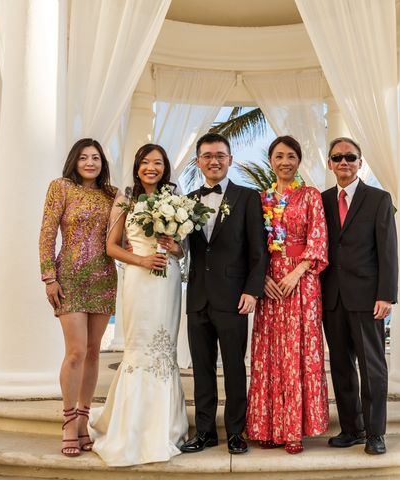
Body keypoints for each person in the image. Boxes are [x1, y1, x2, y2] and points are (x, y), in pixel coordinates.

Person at [88, 144, 188, 466]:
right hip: (138, 279)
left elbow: (182, 252)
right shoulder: (125, 198)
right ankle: (129, 424)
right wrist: (142, 259)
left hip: (168, 279)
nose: (151, 168)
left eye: (158, 163)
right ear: (137, 165)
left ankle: (166, 425)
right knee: (139, 345)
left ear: (165, 168)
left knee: (164, 348)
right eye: (146, 162)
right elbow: (111, 247)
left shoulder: (176, 198)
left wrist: (174, 248)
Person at [180, 133, 267, 455]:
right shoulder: (186, 201)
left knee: (233, 368)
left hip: (233, 297)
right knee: (201, 370)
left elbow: (259, 251)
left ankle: (235, 432)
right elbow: (183, 249)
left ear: (230, 160)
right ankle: (204, 432)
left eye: (220, 155)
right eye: (207, 156)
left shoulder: (248, 198)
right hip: (197, 298)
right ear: (198, 161)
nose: (213, 161)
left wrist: (252, 291)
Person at [246, 136, 329, 454]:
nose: (285, 161)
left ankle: (294, 429)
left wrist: (297, 272)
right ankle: (268, 426)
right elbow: (253, 245)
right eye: (279, 156)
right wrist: (262, 277)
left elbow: (318, 238)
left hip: (303, 282)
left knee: (297, 352)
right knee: (270, 353)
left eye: (291, 156)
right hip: (269, 285)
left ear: (298, 160)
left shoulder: (310, 196)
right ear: (270, 160)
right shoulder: (260, 199)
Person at [39, 138, 118, 457]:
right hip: (69, 277)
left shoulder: (112, 195)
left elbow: (121, 236)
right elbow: (47, 232)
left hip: (104, 278)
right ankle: (69, 421)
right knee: (75, 353)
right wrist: (49, 277)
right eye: (84, 157)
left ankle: (85, 420)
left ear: (102, 163)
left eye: (95, 157)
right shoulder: (61, 187)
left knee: (94, 352)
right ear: (75, 160)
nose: (89, 162)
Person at [320, 137, 398, 455]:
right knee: (340, 365)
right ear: (330, 163)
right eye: (338, 157)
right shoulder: (321, 200)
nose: (344, 162)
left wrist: (386, 295)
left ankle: (375, 433)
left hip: (368, 297)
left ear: (359, 162)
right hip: (332, 297)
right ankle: (351, 428)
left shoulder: (378, 199)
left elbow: (388, 251)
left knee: (372, 368)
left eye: (350, 157)